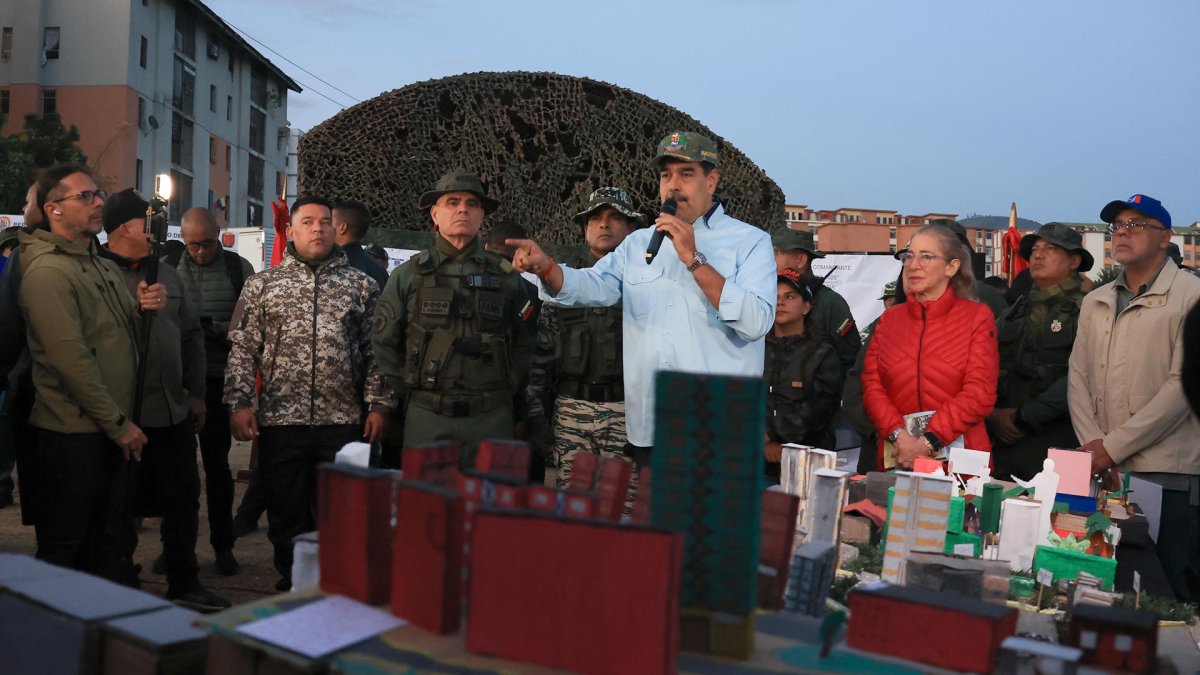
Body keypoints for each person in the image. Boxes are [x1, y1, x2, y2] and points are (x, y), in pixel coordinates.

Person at [507, 131, 776, 458]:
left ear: (712, 181)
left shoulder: (750, 242)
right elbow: (592, 285)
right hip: (652, 428)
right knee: (651, 512)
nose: (673, 185)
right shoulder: (638, 244)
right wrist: (547, 268)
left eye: (686, 174)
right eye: (666, 175)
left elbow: (756, 322)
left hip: (719, 430)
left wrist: (693, 259)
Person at [225, 195, 394, 591]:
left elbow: (377, 353)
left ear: (336, 230)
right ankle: (292, 582)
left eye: (324, 222)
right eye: (307, 222)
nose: (317, 228)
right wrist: (239, 402)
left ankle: (335, 585)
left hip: (343, 421)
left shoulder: (362, 285)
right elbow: (244, 348)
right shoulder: (263, 286)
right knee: (287, 511)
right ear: (291, 231)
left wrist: (379, 404)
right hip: (282, 421)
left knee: (340, 511)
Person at [17, 164, 166, 582]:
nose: (99, 201)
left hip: (107, 428)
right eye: (85, 196)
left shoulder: (96, 262)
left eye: (97, 193)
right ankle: (54, 640)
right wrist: (119, 425)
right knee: (67, 548)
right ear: (54, 209)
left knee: (108, 540)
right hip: (72, 435)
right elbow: (71, 362)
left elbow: (117, 333)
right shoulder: (48, 271)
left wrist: (141, 307)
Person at [99, 190, 230, 611]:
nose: (155, 232)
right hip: (120, 415)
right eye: (147, 223)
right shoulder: (93, 273)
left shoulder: (167, 273)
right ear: (123, 228)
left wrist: (194, 393)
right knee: (118, 505)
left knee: (183, 499)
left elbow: (190, 334)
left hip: (171, 411)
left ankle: (184, 580)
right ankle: (119, 580)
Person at [1069, 194, 1200, 602]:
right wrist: (1095, 450)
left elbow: (1183, 387)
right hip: (1103, 472)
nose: (1123, 233)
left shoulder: (1191, 296)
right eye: (1117, 226)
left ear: (1165, 237)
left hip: (1168, 474)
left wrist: (1109, 448)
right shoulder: (1096, 301)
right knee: (1106, 586)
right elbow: (1078, 376)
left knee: (1169, 594)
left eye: (1137, 225)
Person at [372, 172, 535, 460]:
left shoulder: (507, 276)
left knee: (487, 503)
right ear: (435, 214)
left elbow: (526, 338)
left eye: (472, 203)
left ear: (482, 215)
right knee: (428, 503)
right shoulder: (407, 275)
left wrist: (506, 384)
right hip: (428, 419)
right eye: (452, 202)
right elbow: (384, 342)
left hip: (491, 419)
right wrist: (410, 389)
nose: (463, 209)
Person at [526, 188, 639, 487]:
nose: (604, 224)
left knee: (623, 513)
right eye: (596, 218)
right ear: (585, 228)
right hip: (571, 413)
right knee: (574, 514)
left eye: (615, 218)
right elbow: (540, 359)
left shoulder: (646, 287)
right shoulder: (562, 284)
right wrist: (536, 417)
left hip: (627, 415)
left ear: (631, 230)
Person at [861, 223, 998, 470]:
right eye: (909, 256)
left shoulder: (977, 317)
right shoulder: (891, 319)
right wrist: (899, 436)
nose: (914, 264)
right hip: (899, 457)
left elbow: (979, 393)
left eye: (926, 256)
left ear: (951, 267)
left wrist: (928, 441)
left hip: (960, 464)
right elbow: (872, 385)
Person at [167, 207, 253, 574]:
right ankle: (176, 548)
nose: (199, 252)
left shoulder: (238, 269)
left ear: (218, 234)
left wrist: (220, 331)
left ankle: (223, 546)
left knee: (218, 471)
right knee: (176, 473)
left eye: (205, 244)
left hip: (219, 379)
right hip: (178, 380)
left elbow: (251, 326)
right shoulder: (168, 265)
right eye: (192, 245)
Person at [989, 223, 1091, 481]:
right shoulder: (1013, 312)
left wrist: (1025, 417)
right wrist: (992, 414)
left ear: (1074, 260)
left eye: (1051, 248)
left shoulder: (1089, 310)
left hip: (1058, 439)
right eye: (1035, 249)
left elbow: (1082, 375)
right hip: (1003, 438)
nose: (1038, 255)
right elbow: (984, 364)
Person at [763, 268, 844, 480]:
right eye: (775, 296)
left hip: (808, 463)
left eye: (789, 296)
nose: (780, 302)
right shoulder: (753, 346)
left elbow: (819, 409)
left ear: (806, 306)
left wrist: (773, 438)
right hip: (756, 459)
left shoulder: (823, 351)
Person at [773, 228, 860, 372]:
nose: (770, 259)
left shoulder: (830, 303)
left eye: (777, 252)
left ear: (800, 260)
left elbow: (851, 363)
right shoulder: (767, 299)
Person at [333, 200, 388, 288]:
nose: (322, 228)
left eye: (328, 222)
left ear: (342, 228)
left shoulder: (337, 266)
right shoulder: (380, 270)